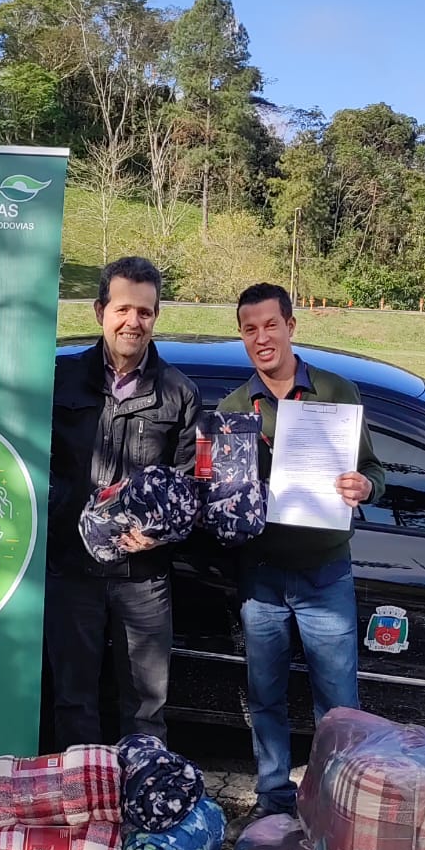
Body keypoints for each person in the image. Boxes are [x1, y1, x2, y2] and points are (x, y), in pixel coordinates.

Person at [218, 283, 386, 817]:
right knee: (265, 697)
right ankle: (273, 800)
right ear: (242, 337)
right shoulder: (234, 408)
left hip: (324, 575)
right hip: (262, 578)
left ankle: (339, 801)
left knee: (338, 705)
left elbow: (374, 471)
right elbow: (222, 493)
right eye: (250, 329)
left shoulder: (337, 393)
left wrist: (365, 488)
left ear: (292, 326)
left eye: (271, 325)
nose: (262, 337)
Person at [45, 256, 201, 749]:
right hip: (70, 571)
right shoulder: (59, 381)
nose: (134, 322)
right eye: (123, 309)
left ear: (156, 317)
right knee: (73, 702)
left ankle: (140, 810)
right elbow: (32, 464)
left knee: (146, 708)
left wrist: (160, 531)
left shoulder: (180, 393)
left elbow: (190, 486)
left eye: (146, 312)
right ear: (100, 312)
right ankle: (85, 809)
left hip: (144, 577)